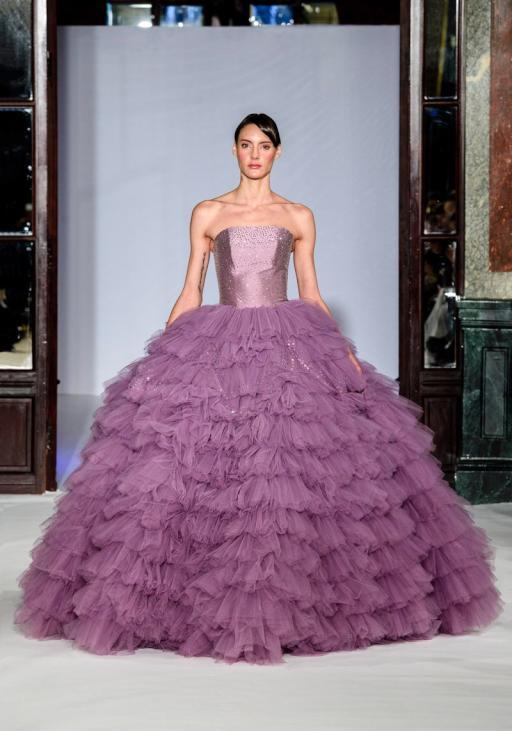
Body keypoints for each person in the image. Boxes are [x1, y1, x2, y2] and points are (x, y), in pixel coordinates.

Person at [14, 113, 503, 665]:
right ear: (234, 150)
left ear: (277, 152)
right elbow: (192, 287)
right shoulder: (209, 211)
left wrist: (339, 349)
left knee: (285, 461)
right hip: (220, 336)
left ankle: (295, 596)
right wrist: (166, 353)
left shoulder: (297, 215)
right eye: (246, 145)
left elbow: (310, 291)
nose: (254, 154)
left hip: (284, 338)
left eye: (264, 145)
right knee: (203, 460)